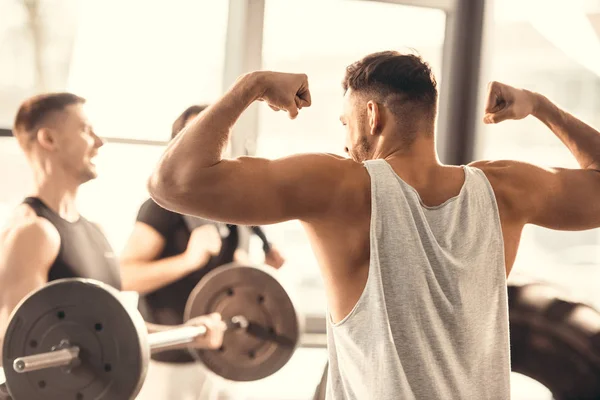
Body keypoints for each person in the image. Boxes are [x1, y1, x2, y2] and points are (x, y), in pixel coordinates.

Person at [148, 50, 600, 400]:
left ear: (372, 116)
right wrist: (541, 106)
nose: (346, 143)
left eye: (346, 123)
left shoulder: (340, 187)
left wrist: (253, 85)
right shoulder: (505, 189)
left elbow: (172, 182)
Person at [0, 93, 225, 388]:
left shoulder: (95, 231)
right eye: (85, 129)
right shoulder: (34, 233)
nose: (99, 141)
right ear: (48, 139)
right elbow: (14, 347)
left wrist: (185, 332)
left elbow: (114, 329)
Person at [119, 104, 285, 399]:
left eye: (218, 136)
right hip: (170, 361)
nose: (211, 146)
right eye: (200, 137)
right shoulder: (161, 208)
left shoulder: (229, 210)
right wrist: (187, 260)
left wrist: (260, 272)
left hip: (222, 355)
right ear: (178, 149)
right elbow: (125, 276)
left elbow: (229, 276)